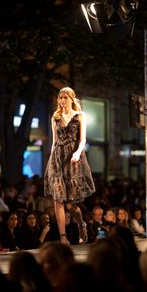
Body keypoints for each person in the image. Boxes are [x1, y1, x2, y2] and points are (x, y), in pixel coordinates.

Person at [44, 87, 95, 244]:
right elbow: (54, 142)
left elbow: (83, 140)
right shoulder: (56, 117)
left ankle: (81, 223)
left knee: (71, 206)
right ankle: (63, 237)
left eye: (65, 97)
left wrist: (78, 152)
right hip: (57, 159)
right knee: (58, 200)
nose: (62, 100)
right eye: (60, 98)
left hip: (73, 159)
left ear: (72, 99)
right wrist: (51, 161)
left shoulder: (80, 116)